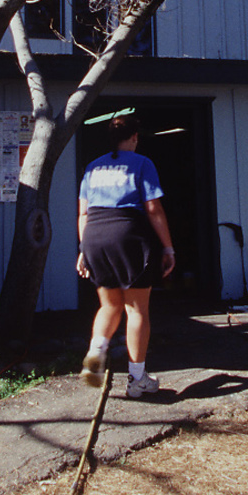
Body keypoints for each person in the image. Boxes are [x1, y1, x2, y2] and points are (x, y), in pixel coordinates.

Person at [76, 113, 176, 397]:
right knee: (137, 309)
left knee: (109, 306)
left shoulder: (92, 167)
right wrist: (168, 247)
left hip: (94, 235)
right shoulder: (142, 163)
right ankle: (137, 379)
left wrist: (84, 249)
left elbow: (83, 213)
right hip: (127, 234)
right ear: (134, 137)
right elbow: (154, 209)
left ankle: (96, 354)